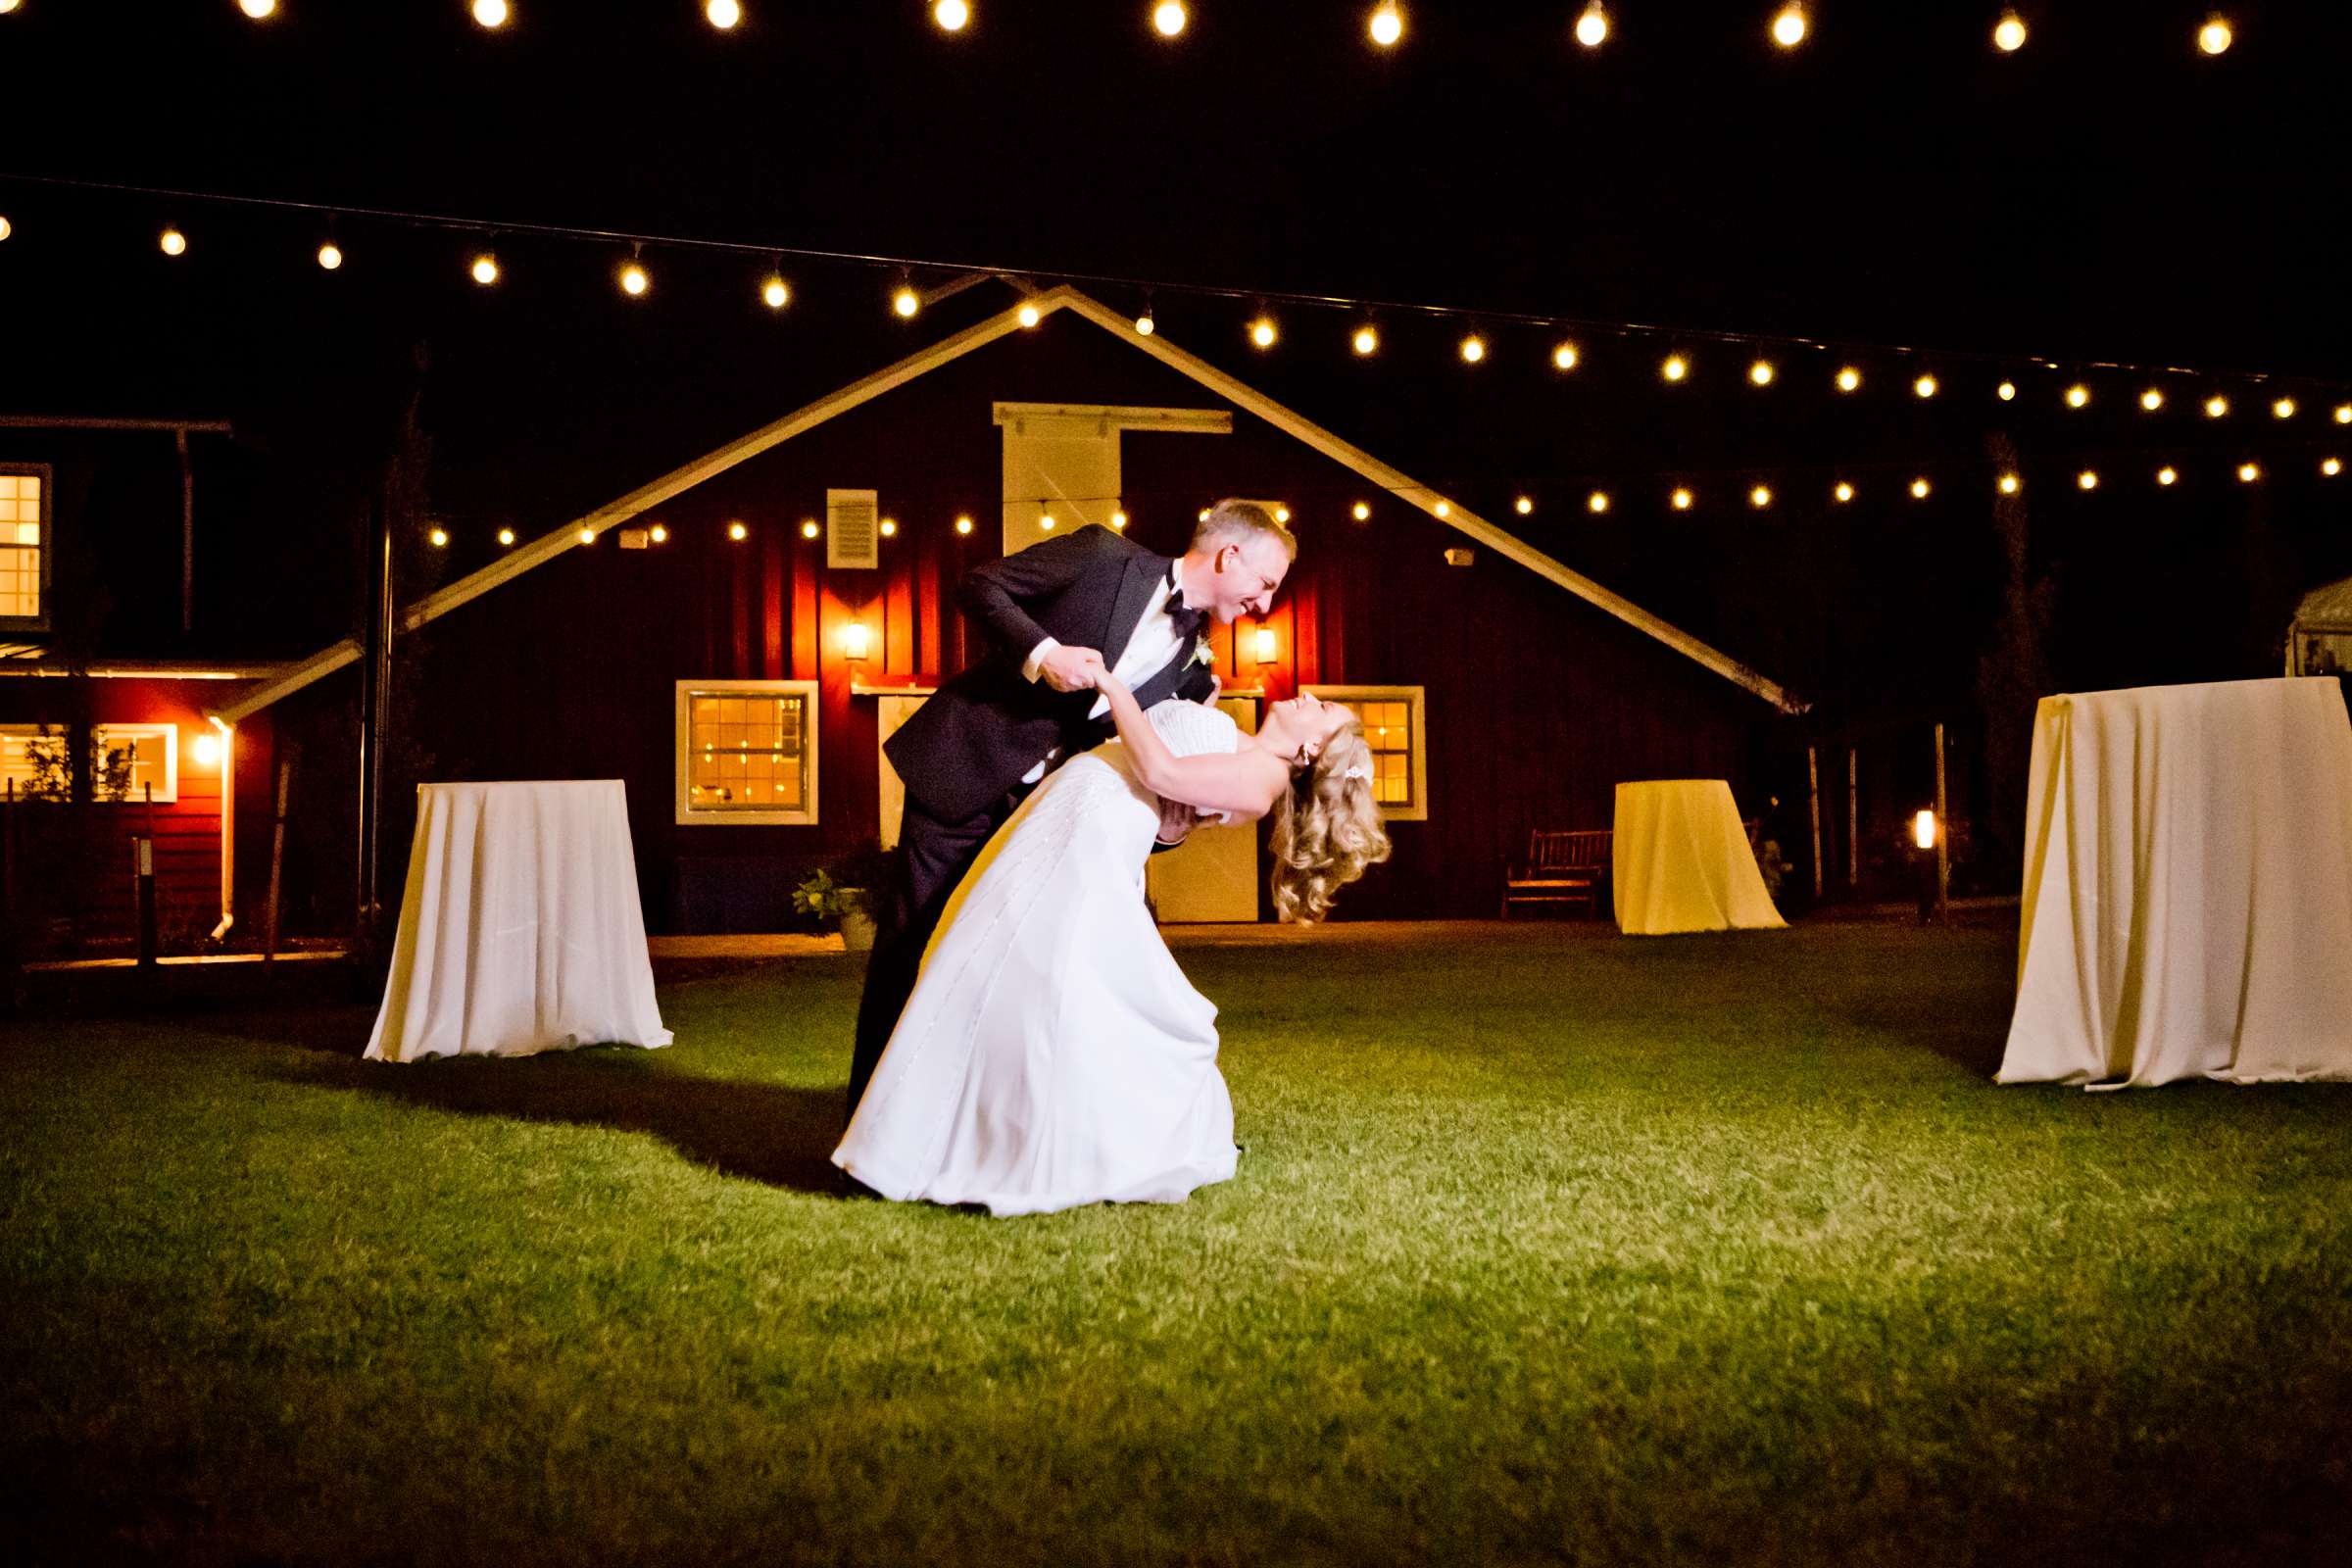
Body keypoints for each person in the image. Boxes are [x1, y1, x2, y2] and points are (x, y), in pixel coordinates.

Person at [833, 671, 1390, 1215]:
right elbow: (1172, 807)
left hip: (1092, 833)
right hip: (1070, 811)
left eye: (1321, 709)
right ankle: (963, 1133)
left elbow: (1158, 767)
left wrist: (1112, 685)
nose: (1309, 696)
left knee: (1043, 975)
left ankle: (1034, 1147)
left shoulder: (1263, 784)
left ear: (1313, 746)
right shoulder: (1240, 742)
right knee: (995, 966)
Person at [847, 501, 1298, 1119]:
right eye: (1265, 584)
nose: (1265, 605)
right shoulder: (1102, 556)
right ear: (1229, 556)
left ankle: (1066, 1126)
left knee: (1034, 961)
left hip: (1047, 817)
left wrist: (1169, 832)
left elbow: (1158, 768)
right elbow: (979, 585)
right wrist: (1044, 654)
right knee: (914, 938)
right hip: (965, 772)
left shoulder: (1199, 671)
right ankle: (870, 1119)